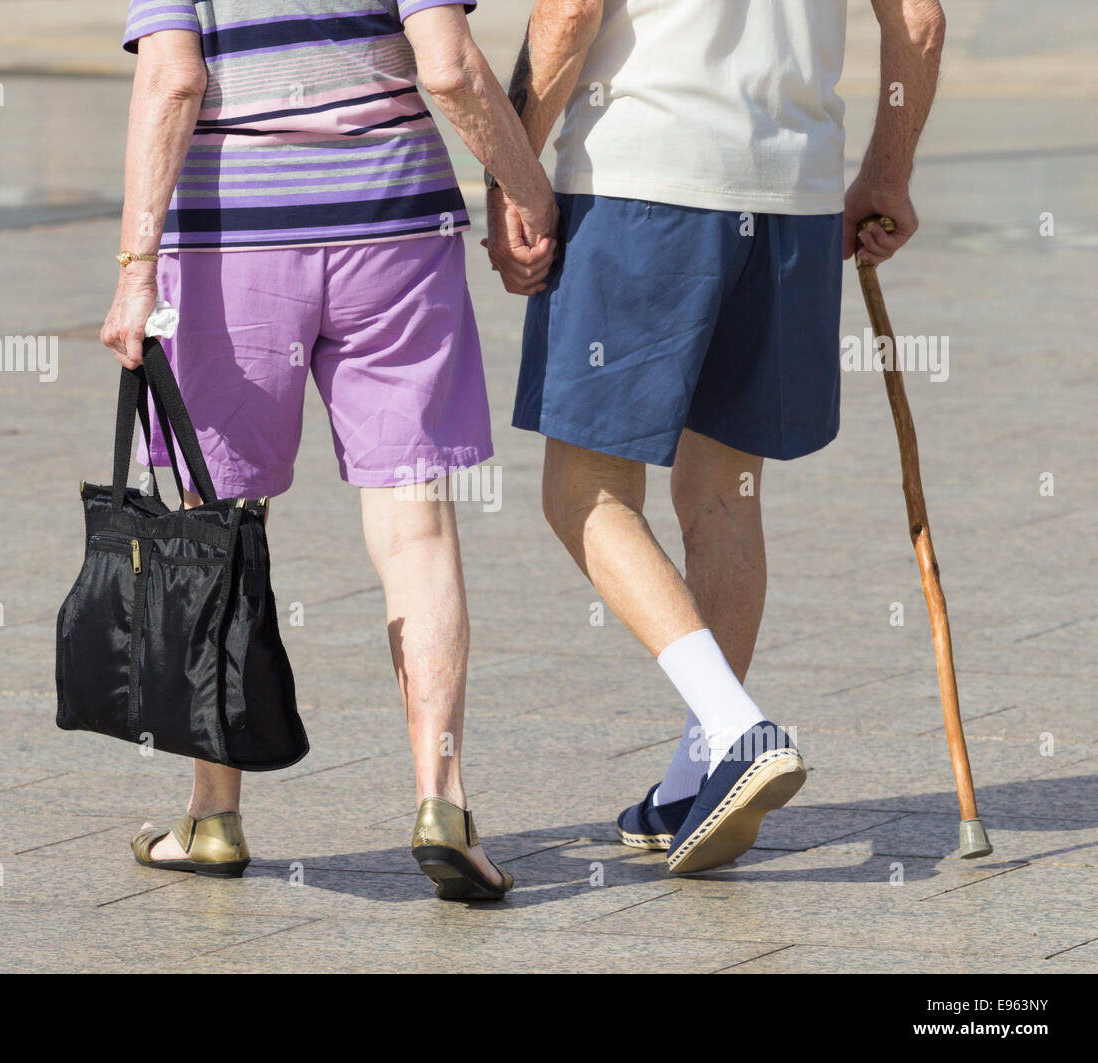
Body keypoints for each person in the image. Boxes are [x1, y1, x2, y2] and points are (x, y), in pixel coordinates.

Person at [101, 0, 557, 900]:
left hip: (234, 244)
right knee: (415, 526)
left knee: (212, 527)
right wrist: (525, 186)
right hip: (394, 235)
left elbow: (173, 78)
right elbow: (449, 66)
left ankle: (213, 813)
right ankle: (443, 803)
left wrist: (135, 271)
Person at [488, 0, 946, 872]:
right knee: (724, 492)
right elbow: (918, 23)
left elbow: (570, 12)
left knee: (583, 490)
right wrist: (887, 174)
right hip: (793, 190)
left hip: (642, 175)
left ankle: (735, 728)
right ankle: (697, 775)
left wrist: (510, 170)